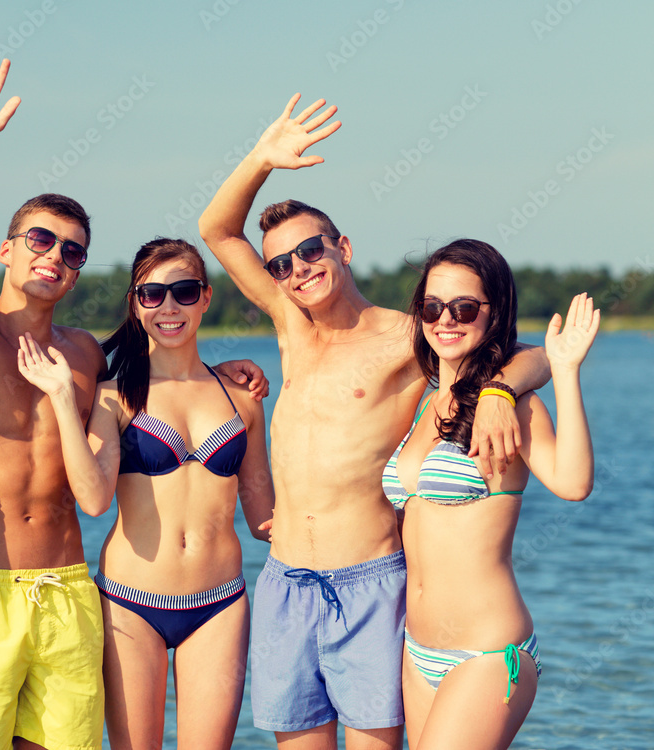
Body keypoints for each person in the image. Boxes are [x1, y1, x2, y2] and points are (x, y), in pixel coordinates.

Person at [0, 50, 267, 750]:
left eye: (73, 250)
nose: (55, 255)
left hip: (72, 588)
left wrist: (236, 373)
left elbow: (162, 358)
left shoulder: (86, 358)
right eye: (40, 240)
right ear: (10, 249)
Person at [198, 95, 551, 750]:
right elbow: (218, 230)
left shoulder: (408, 336)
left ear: (344, 247)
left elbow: (532, 352)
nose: (297, 270)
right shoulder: (289, 326)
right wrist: (261, 159)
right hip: (285, 581)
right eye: (281, 263)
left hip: (369, 583)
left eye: (309, 251)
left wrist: (500, 391)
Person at [17, 238, 275, 749]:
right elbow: (92, 499)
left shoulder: (242, 398)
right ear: (136, 304)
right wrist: (66, 399)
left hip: (219, 603)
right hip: (130, 604)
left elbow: (265, 516)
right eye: (152, 294)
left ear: (205, 297)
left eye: (182, 291)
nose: (168, 307)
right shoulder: (116, 396)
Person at [384, 240, 597, 749]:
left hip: (487, 652)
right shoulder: (421, 404)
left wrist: (565, 373)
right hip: (418, 651)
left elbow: (573, 483)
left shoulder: (514, 407)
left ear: (493, 312)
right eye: (432, 307)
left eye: (464, 307)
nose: (445, 320)